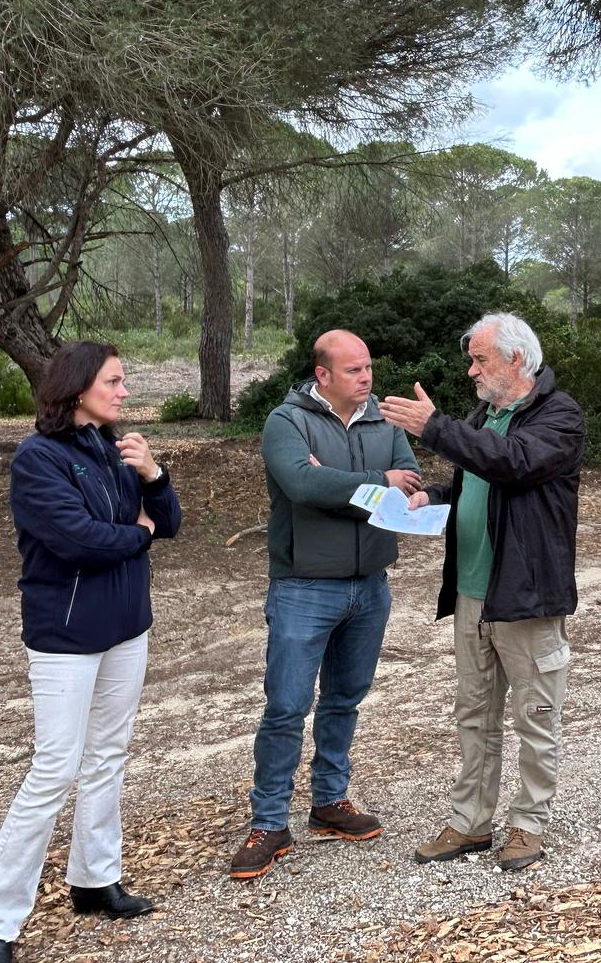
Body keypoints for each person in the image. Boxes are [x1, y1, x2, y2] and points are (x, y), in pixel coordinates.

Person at [0, 342, 182, 963]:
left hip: (126, 627)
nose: (123, 392)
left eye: (123, 381)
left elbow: (168, 523)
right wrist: (137, 531)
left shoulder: (115, 449)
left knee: (108, 755)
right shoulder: (37, 459)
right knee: (55, 768)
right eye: (114, 382)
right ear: (77, 387)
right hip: (65, 635)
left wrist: (154, 477)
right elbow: (78, 541)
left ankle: (95, 881)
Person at [379, 311, 584, 873]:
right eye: (471, 359)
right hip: (473, 594)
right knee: (474, 714)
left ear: (516, 358)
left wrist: (436, 427)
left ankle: (528, 825)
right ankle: (470, 822)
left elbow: (515, 465)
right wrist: (436, 496)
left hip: (525, 596)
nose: (471, 369)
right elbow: (480, 479)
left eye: (480, 358)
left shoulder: (557, 415)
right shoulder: (486, 414)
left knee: (536, 713)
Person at [229, 329, 423, 881]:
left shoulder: (384, 420)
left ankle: (329, 801)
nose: (366, 378)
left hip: (370, 585)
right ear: (324, 375)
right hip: (304, 588)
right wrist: (372, 483)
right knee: (287, 707)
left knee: (344, 700)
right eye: (355, 370)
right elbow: (302, 486)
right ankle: (268, 822)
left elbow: (408, 482)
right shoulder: (286, 422)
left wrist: (396, 490)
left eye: (368, 368)